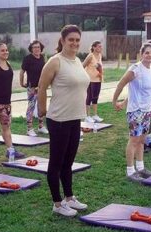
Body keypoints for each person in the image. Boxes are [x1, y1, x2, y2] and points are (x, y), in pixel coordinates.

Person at [38, 25, 89, 217]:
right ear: (63, 40)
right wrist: (41, 110)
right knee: (57, 162)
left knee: (69, 162)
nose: (74, 43)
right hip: (58, 119)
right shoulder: (54, 62)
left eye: (77, 40)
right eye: (71, 40)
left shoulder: (77, 61)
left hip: (74, 118)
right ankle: (57, 204)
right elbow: (41, 87)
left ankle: (69, 197)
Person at [112, 43, 151, 183]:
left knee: (142, 140)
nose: (149, 55)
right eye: (147, 52)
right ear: (141, 54)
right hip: (135, 111)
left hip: (147, 110)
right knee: (134, 140)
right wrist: (115, 101)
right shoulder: (135, 69)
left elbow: (136, 90)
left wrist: (125, 100)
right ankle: (130, 171)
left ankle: (141, 168)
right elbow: (121, 84)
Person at [20, 40, 48, 137]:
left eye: (38, 47)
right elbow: (22, 71)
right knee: (31, 107)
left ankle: (41, 126)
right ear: (31, 49)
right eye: (35, 47)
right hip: (31, 87)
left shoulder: (42, 58)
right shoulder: (27, 59)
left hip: (41, 87)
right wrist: (21, 82)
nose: (37, 49)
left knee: (41, 107)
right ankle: (29, 128)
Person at [82, 41, 104, 123]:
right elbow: (82, 66)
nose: (100, 48)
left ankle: (95, 115)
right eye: (99, 46)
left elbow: (99, 67)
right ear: (94, 47)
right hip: (90, 80)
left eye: (101, 47)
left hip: (98, 79)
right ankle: (87, 116)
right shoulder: (90, 56)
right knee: (89, 97)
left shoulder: (100, 55)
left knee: (96, 97)